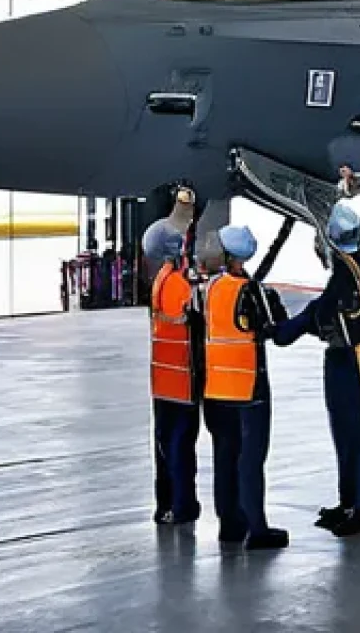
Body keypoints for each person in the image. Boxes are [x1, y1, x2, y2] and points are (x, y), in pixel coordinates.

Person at [273, 201, 360, 538]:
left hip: (351, 362)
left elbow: (324, 315)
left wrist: (284, 327)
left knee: (359, 435)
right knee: (349, 434)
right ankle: (351, 501)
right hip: (356, 358)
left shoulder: (345, 273)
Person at [202, 224, 290, 551]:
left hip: (215, 390)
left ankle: (230, 524)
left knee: (225, 457)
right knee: (251, 461)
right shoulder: (256, 294)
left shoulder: (210, 289)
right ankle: (258, 528)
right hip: (248, 389)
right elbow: (278, 332)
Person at [144, 208, 203, 526]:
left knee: (166, 446)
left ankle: (167, 504)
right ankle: (181, 506)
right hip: (182, 379)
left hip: (164, 380)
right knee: (181, 448)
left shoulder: (160, 280)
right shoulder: (179, 285)